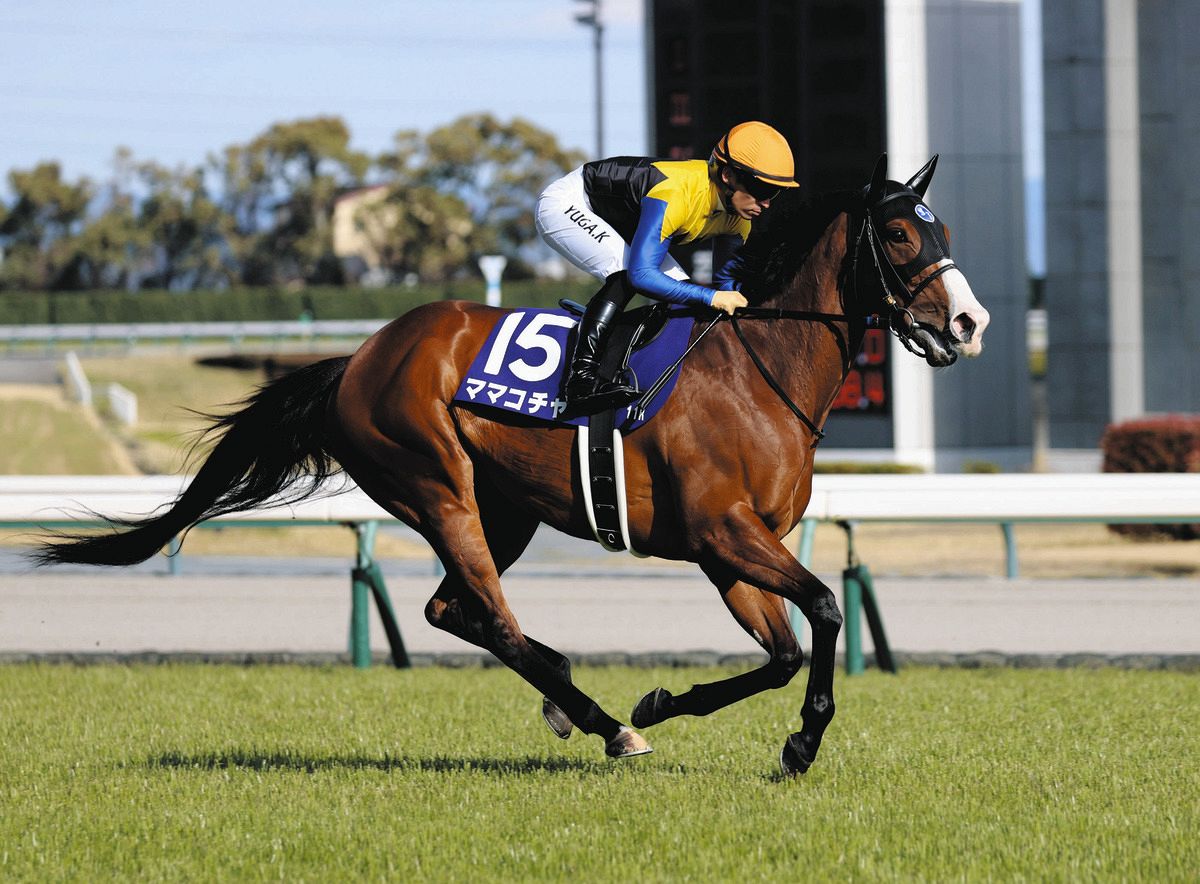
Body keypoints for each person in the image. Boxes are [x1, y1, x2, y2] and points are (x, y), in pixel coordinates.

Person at [535, 120, 799, 416]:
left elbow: (726, 287)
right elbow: (641, 275)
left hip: (620, 221)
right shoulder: (677, 193)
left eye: (774, 193)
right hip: (569, 204)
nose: (766, 203)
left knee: (683, 299)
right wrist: (711, 297)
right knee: (625, 275)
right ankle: (580, 384)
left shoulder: (738, 220)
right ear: (727, 176)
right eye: (761, 189)